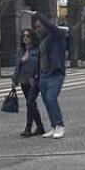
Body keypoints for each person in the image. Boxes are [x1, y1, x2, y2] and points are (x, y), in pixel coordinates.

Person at [29, 11, 69, 139]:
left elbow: (52, 27)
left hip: (55, 73)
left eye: (40, 26)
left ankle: (59, 125)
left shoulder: (57, 36)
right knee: (47, 101)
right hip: (43, 75)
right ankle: (53, 125)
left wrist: (38, 14)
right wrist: (36, 75)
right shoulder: (42, 41)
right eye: (36, 27)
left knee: (51, 98)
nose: (38, 29)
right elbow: (40, 59)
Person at [12, 28, 45, 137]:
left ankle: (28, 127)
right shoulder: (20, 51)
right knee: (31, 103)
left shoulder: (37, 51)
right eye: (23, 36)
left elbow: (40, 65)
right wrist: (14, 80)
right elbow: (17, 67)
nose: (25, 38)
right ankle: (40, 127)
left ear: (32, 38)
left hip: (34, 81)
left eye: (28, 36)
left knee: (29, 103)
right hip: (23, 80)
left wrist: (35, 76)